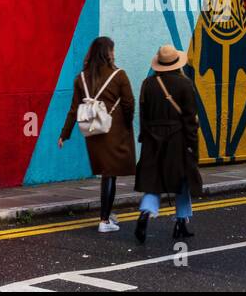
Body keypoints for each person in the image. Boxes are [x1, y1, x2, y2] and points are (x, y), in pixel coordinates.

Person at [58, 35, 135, 231]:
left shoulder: (81, 78)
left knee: (107, 174)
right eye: (112, 50)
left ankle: (107, 215)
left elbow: (74, 109)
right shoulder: (119, 75)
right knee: (111, 174)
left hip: (93, 132)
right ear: (107, 53)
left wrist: (64, 134)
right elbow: (129, 103)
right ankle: (104, 220)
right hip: (113, 130)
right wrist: (127, 124)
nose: (114, 53)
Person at [134, 43, 203, 243]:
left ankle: (145, 213)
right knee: (182, 181)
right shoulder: (185, 84)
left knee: (154, 183)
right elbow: (190, 119)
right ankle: (181, 222)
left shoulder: (148, 84)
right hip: (177, 140)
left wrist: (144, 139)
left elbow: (144, 116)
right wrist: (193, 147)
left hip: (152, 141)